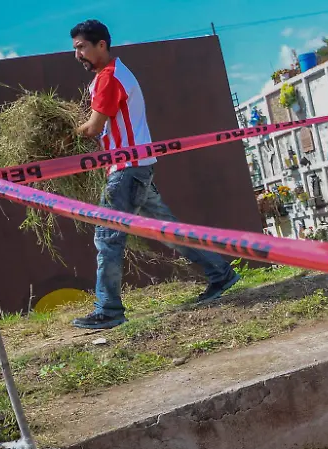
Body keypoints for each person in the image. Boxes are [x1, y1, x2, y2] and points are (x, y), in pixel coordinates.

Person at [69, 19, 239, 330]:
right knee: (170, 230)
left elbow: (93, 127)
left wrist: (70, 132)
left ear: (101, 45)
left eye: (81, 47)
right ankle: (221, 274)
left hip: (127, 169)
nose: (76, 54)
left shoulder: (109, 78)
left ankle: (108, 310)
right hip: (137, 166)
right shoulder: (115, 73)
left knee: (107, 236)